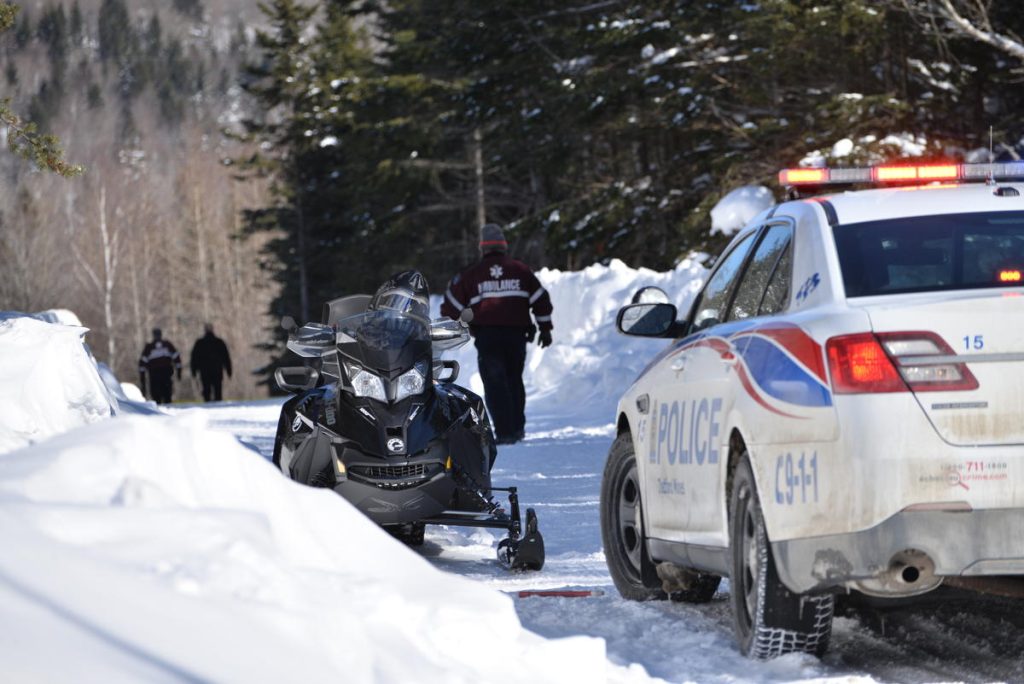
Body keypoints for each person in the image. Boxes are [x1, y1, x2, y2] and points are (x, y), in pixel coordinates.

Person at [441, 223, 553, 444]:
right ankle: (517, 429)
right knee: (514, 381)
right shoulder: (520, 270)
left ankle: (505, 433)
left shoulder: (471, 274)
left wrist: (464, 323)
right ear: (504, 246)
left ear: (482, 248)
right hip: (517, 337)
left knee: (494, 383)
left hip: (488, 338)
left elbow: (450, 308)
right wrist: (545, 328)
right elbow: (541, 299)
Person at [189, 323, 233, 402]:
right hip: (217, 370)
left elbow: (194, 358)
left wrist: (194, 371)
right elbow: (226, 358)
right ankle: (218, 405)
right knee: (217, 390)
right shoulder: (219, 342)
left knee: (206, 390)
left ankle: (208, 405)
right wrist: (229, 370)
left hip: (205, 371)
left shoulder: (200, 343)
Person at [139, 327, 182, 404]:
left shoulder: (149, 347)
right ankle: (165, 407)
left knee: (159, 395)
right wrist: (179, 370)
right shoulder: (167, 345)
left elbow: (142, 364)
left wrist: (142, 378)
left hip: (156, 374)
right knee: (165, 393)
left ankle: (162, 408)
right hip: (164, 373)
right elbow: (176, 358)